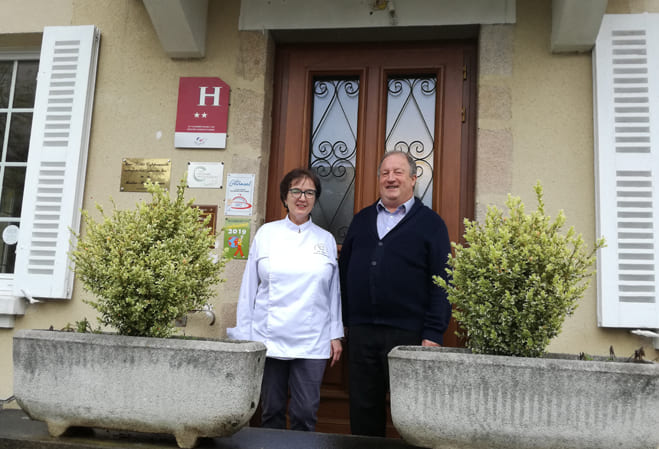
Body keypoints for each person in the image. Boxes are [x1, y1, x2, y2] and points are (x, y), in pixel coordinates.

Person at [338, 151, 452, 437]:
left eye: (398, 172)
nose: (391, 178)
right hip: (362, 332)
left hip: (410, 335)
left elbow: (443, 282)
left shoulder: (431, 224)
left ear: (413, 179)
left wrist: (434, 333)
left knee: (412, 412)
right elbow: (343, 272)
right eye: (385, 173)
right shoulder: (362, 220)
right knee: (363, 410)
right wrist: (341, 321)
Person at [227, 168, 343, 432]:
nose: (302, 197)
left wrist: (335, 333)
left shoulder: (325, 239)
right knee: (272, 411)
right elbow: (248, 289)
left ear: (315, 198)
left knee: (305, 414)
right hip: (269, 337)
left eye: (309, 192)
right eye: (296, 191)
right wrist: (245, 334)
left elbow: (333, 292)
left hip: (312, 340)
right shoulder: (266, 234)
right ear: (284, 196)